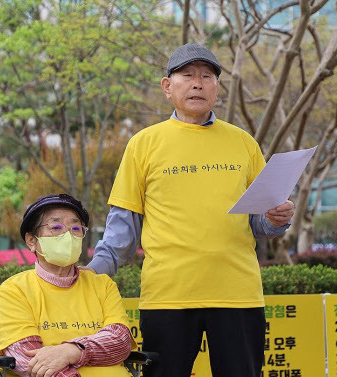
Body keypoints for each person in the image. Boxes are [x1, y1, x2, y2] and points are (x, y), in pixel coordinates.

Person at [86, 43, 296, 377]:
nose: (197, 83)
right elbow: (123, 226)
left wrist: (275, 219)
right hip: (167, 296)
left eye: (207, 76)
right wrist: (92, 273)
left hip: (238, 295)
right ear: (167, 87)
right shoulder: (143, 143)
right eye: (187, 75)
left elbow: (259, 222)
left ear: (217, 89)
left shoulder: (243, 143)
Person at [0, 194, 133, 377]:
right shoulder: (14, 290)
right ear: (32, 241)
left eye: (76, 228)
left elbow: (120, 341)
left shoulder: (102, 284)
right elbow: (28, 359)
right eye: (56, 227)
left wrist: (72, 351)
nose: (68, 235)